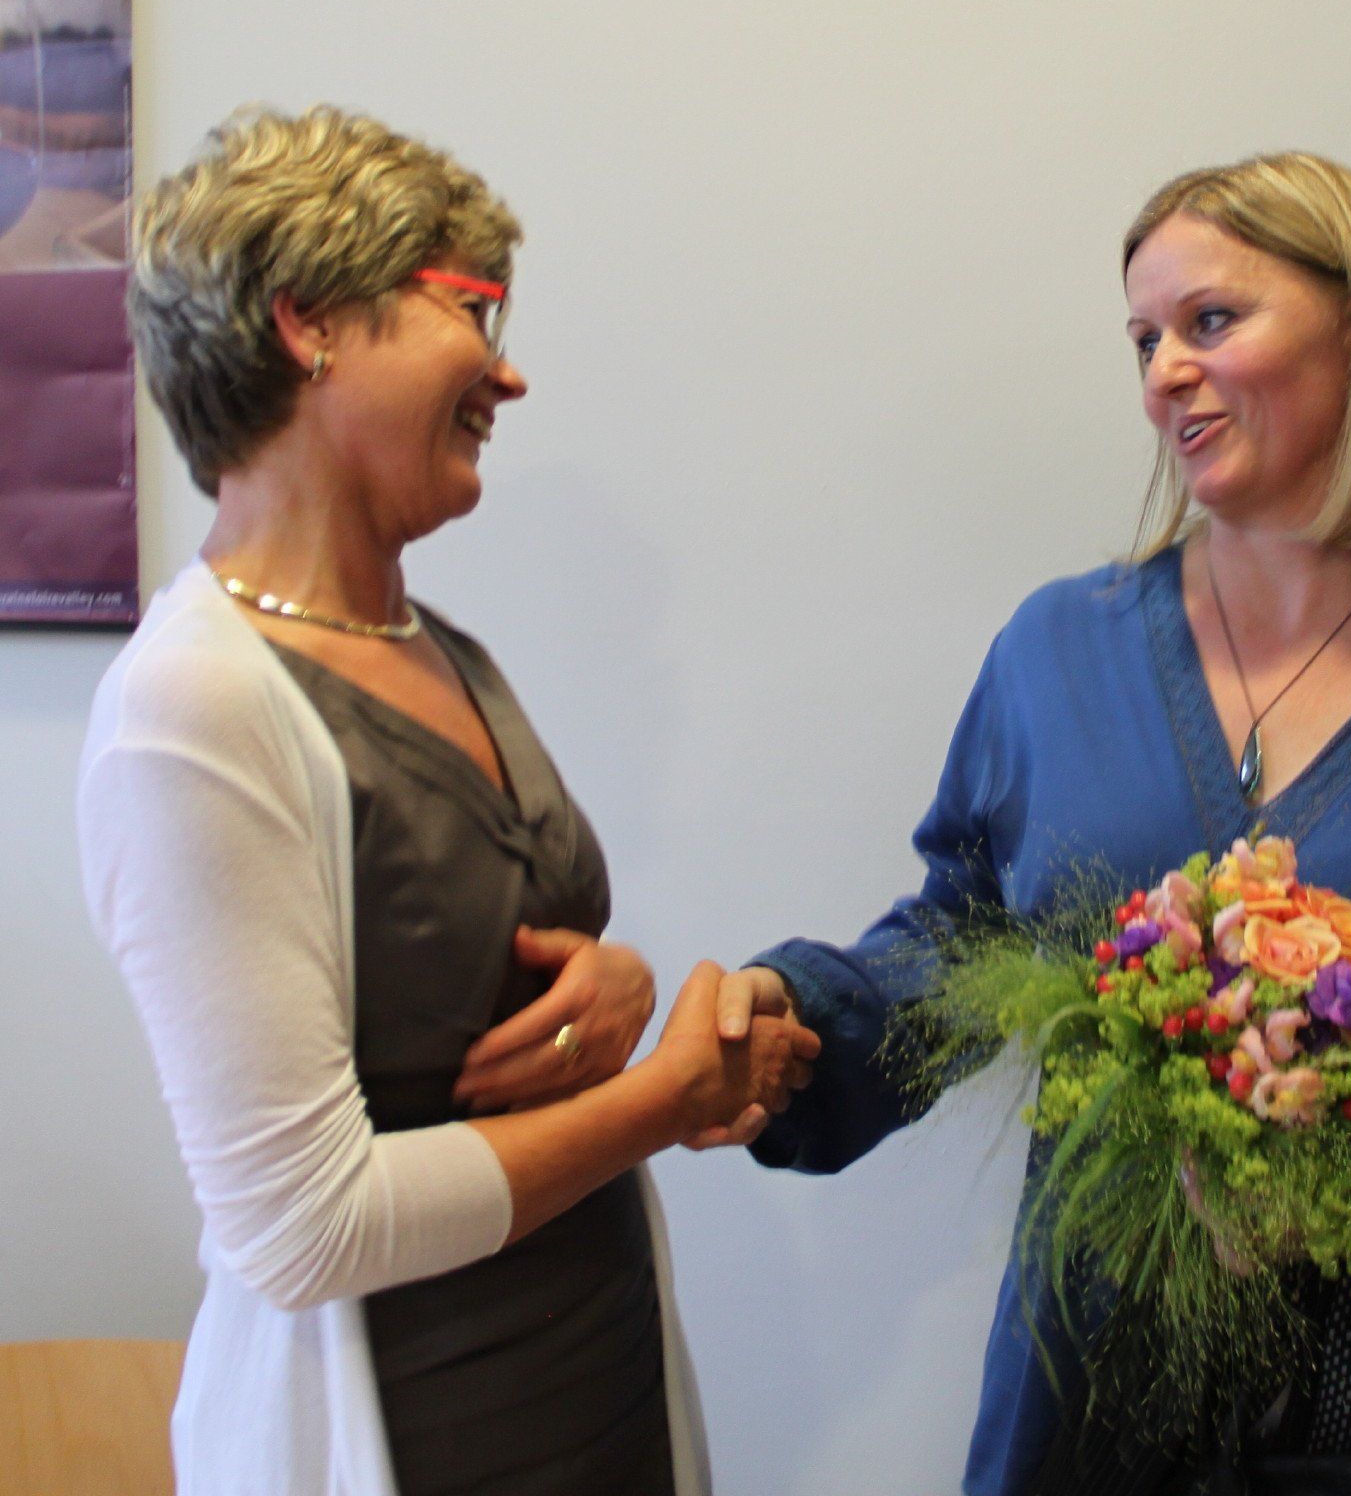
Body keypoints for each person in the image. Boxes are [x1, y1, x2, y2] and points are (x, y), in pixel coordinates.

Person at [716, 152, 1351, 1493]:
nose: (1165, 371)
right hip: (1085, 1395)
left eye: (1211, 320)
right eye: (1145, 340)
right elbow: (955, 943)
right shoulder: (1056, 653)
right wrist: (795, 1017)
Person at [80, 107, 819, 1496]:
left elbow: (459, 969)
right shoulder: (189, 706)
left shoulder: (442, 650)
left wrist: (615, 984)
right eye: (474, 309)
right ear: (308, 322)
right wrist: (670, 1095)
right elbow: (300, 1227)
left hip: (592, 1387)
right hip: (417, 1434)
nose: (508, 371)